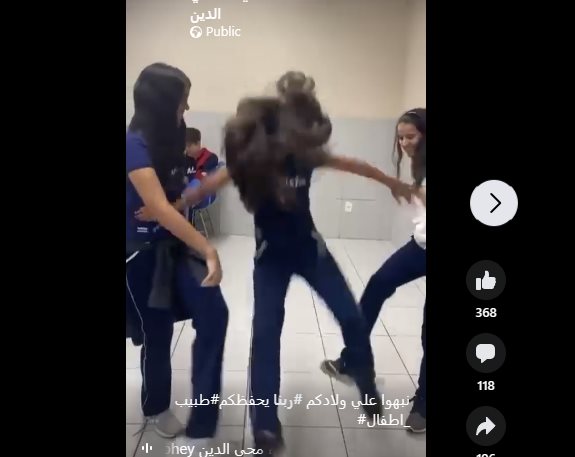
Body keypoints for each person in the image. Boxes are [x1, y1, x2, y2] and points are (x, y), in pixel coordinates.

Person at [185, 71, 416, 453]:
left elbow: (356, 165)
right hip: (270, 260)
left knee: (351, 317)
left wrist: (393, 183)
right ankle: (265, 427)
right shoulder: (249, 163)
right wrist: (173, 204)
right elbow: (207, 186)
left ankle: (366, 383)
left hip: (311, 252)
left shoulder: (305, 155)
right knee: (265, 335)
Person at [125, 63, 229, 445]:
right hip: (141, 254)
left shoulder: (175, 140)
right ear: (162, 101)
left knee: (214, 312)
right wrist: (208, 247)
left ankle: (205, 409)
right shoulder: (132, 144)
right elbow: (159, 207)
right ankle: (156, 407)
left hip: (176, 248)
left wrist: (180, 199)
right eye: (183, 99)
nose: (187, 107)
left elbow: (182, 195)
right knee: (157, 331)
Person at [321, 108, 427, 433]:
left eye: (411, 137)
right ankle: (353, 360)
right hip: (421, 246)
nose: (404, 143)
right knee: (378, 283)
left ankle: (424, 404)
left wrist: (410, 191)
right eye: (401, 137)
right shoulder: (419, 164)